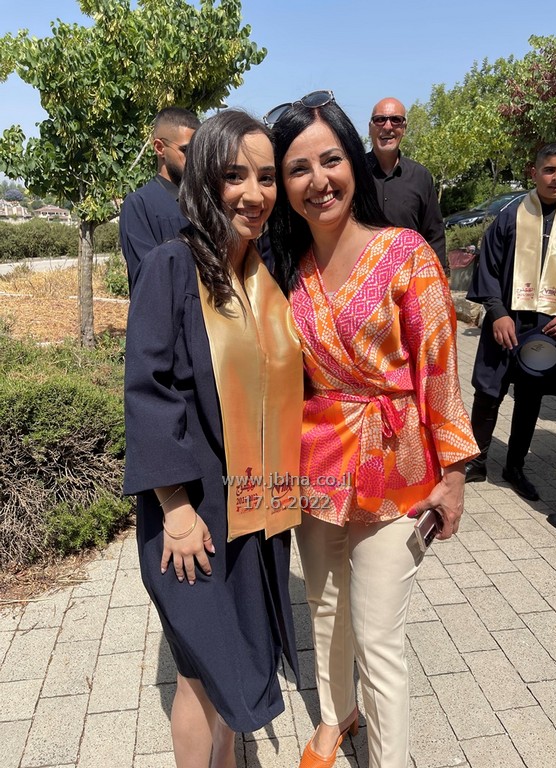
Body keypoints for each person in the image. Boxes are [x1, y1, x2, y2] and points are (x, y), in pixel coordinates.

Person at [266, 91, 478, 768]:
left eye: (330, 160)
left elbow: (439, 368)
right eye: (298, 168)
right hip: (319, 461)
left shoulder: (406, 253)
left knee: (379, 634)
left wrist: (454, 475)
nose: (318, 180)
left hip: (397, 463)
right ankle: (336, 717)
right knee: (324, 604)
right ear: (284, 184)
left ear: (354, 163)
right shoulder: (287, 269)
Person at [123, 109, 303, 768]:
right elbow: (148, 390)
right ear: (203, 178)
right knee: (200, 671)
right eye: (234, 176)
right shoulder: (172, 265)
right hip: (192, 513)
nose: (254, 193)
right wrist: (173, 510)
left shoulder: (261, 275)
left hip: (254, 506)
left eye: (265, 177)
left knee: (231, 666)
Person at [465, 142, 556, 501]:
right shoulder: (511, 215)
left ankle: (514, 466)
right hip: (507, 319)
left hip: (548, 325)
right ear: (534, 172)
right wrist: (496, 313)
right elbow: (489, 265)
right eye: (549, 169)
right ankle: (475, 461)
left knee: (530, 397)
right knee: (488, 392)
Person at [120, 106, 200, 290]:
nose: (195, 158)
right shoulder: (139, 205)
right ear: (159, 148)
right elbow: (150, 280)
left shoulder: (203, 202)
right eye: (187, 150)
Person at [366, 96, 447, 271]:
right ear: (370, 127)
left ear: (404, 128)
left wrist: (439, 276)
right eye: (380, 120)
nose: (388, 126)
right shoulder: (353, 174)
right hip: (362, 280)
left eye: (396, 120)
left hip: (409, 279)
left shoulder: (421, 177)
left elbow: (434, 234)